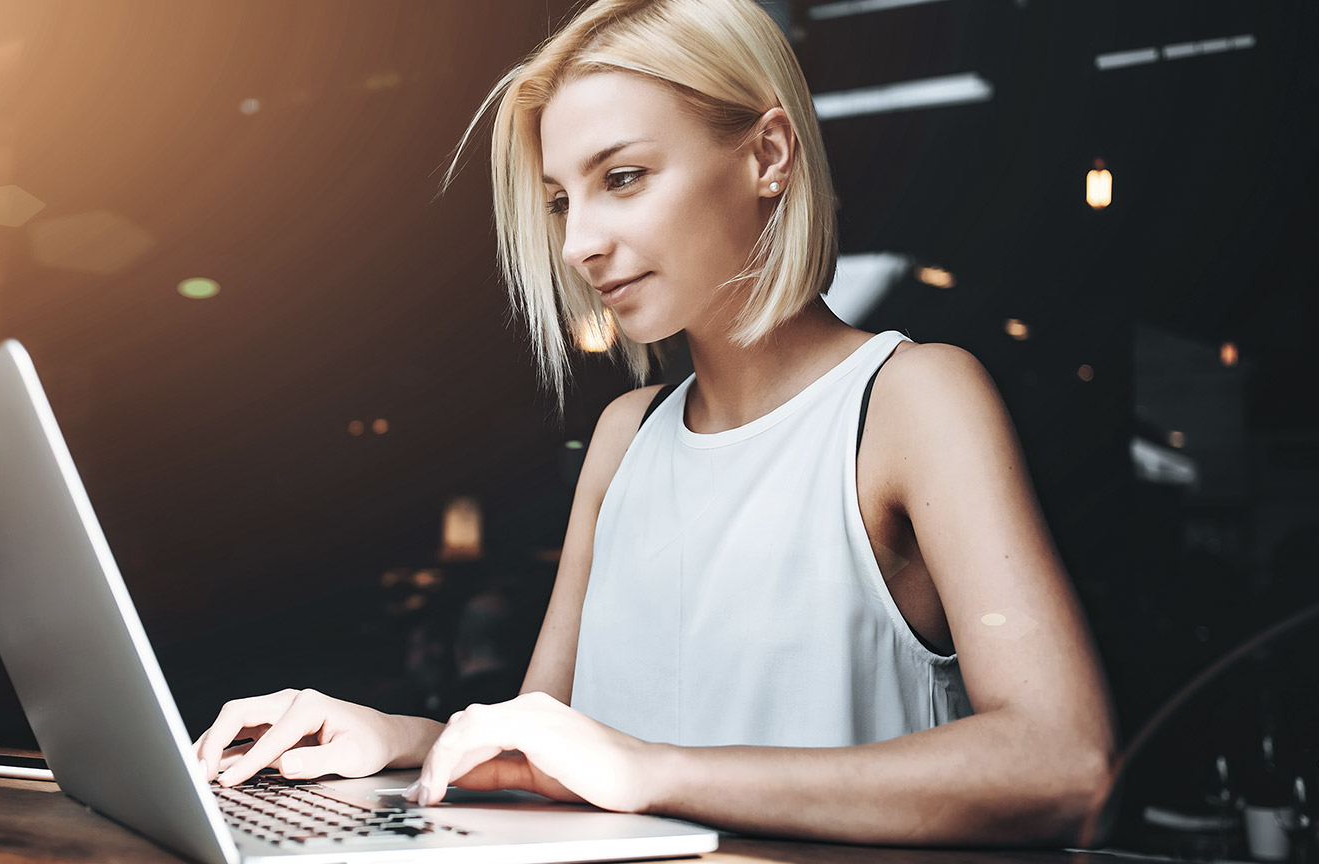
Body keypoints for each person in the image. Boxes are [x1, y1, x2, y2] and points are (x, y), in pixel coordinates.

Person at [194, 0, 1117, 845]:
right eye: (561, 199)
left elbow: (1061, 763)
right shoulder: (625, 436)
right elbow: (548, 744)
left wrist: (651, 772)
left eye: (623, 178)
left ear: (769, 156)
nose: (577, 243)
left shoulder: (912, 399)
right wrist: (391, 738)